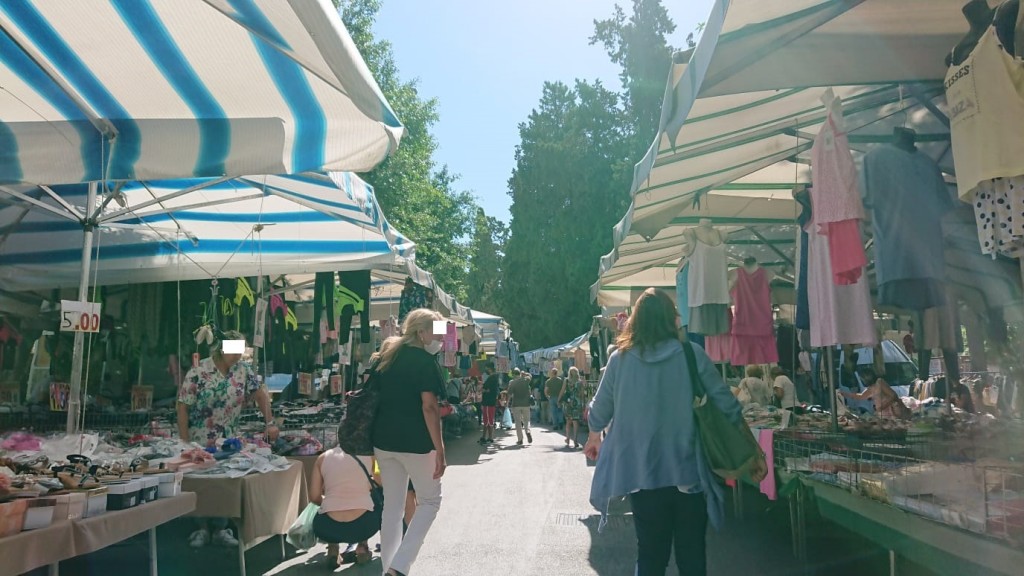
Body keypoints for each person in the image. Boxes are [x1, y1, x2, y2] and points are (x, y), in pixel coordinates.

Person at [585, 288, 757, 576]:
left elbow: (599, 413)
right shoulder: (692, 355)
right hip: (689, 474)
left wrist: (593, 436)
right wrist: (751, 449)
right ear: (671, 319)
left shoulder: (619, 360)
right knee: (692, 556)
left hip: (641, 476)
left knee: (651, 556)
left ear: (636, 321)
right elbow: (727, 405)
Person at [177, 329, 278, 548]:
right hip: (200, 438)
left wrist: (270, 422)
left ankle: (221, 528)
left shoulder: (243, 371)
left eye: (240, 351)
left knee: (225, 483)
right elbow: (183, 406)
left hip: (229, 438)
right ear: (222, 348)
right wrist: (184, 442)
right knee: (203, 484)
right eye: (234, 351)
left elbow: (260, 395)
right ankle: (201, 528)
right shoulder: (199, 371)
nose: (238, 356)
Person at [370, 309, 447, 576]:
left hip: (383, 441)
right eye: (437, 332)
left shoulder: (387, 356)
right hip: (416, 443)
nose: (440, 339)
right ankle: (399, 567)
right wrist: (440, 449)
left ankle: (388, 569)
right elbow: (430, 407)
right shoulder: (424, 361)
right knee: (430, 501)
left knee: (392, 507)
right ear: (421, 332)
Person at [309, 444, 380, 568]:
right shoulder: (372, 457)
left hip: (327, 527)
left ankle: (333, 548)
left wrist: (329, 503)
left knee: (328, 506)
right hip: (364, 526)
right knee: (375, 496)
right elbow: (382, 483)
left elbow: (314, 497)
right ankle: (362, 547)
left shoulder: (322, 458)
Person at [840, 369, 910, 419]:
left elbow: (893, 395)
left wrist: (882, 407)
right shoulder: (870, 388)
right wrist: (846, 394)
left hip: (892, 412)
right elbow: (861, 396)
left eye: (863, 378)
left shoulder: (879, 382)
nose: (862, 380)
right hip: (883, 416)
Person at [559, 366, 584, 449]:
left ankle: (568, 438)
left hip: (568, 403)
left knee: (568, 421)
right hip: (577, 403)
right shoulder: (580, 382)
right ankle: (575, 439)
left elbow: (562, 390)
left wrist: (559, 399)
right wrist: (583, 404)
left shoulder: (566, 380)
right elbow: (582, 394)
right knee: (575, 421)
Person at [507, 368, 533, 445]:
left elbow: (509, 394)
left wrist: (507, 403)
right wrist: (525, 374)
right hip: (526, 404)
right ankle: (527, 431)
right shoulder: (526, 380)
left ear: (513, 375)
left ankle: (520, 439)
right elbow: (530, 376)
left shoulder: (513, 382)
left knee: (518, 422)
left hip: (516, 404)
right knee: (526, 420)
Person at [479, 365, 499, 444]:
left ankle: (488, 437)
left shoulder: (492, 378)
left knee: (487, 420)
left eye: (486, 368)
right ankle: (486, 437)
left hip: (488, 402)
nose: (486, 370)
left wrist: (483, 390)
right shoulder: (494, 378)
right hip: (490, 402)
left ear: (490, 369)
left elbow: (488, 390)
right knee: (488, 419)